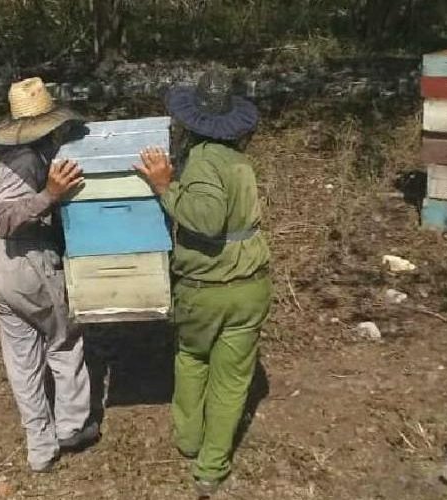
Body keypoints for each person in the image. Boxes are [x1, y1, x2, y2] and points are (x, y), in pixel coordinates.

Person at [135, 68, 271, 497]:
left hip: (206, 290)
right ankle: (211, 468)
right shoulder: (238, 162)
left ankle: (190, 441)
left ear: (189, 120)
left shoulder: (203, 161)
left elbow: (208, 221)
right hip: (250, 287)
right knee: (232, 380)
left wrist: (165, 188)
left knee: (193, 358)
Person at [0, 77, 98, 473]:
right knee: (64, 338)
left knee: (21, 358)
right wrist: (50, 195)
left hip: (0, 268)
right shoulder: (28, 161)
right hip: (25, 263)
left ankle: (39, 449)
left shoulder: (18, 156)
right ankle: (72, 426)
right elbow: (3, 219)